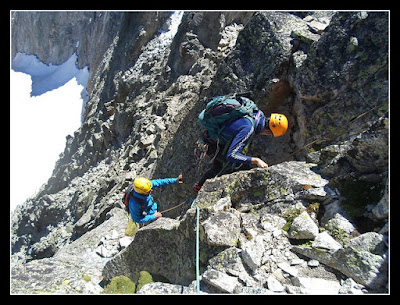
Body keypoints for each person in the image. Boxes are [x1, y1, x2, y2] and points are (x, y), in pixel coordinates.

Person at [193, 112, 288, 193]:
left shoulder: (256, 115)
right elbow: (232, 155)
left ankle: (199, 186)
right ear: (268, 131)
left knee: (218, 167)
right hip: (212, 144)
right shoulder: (248, 128)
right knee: (239, 168)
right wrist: (256, 160)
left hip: (213, 139)